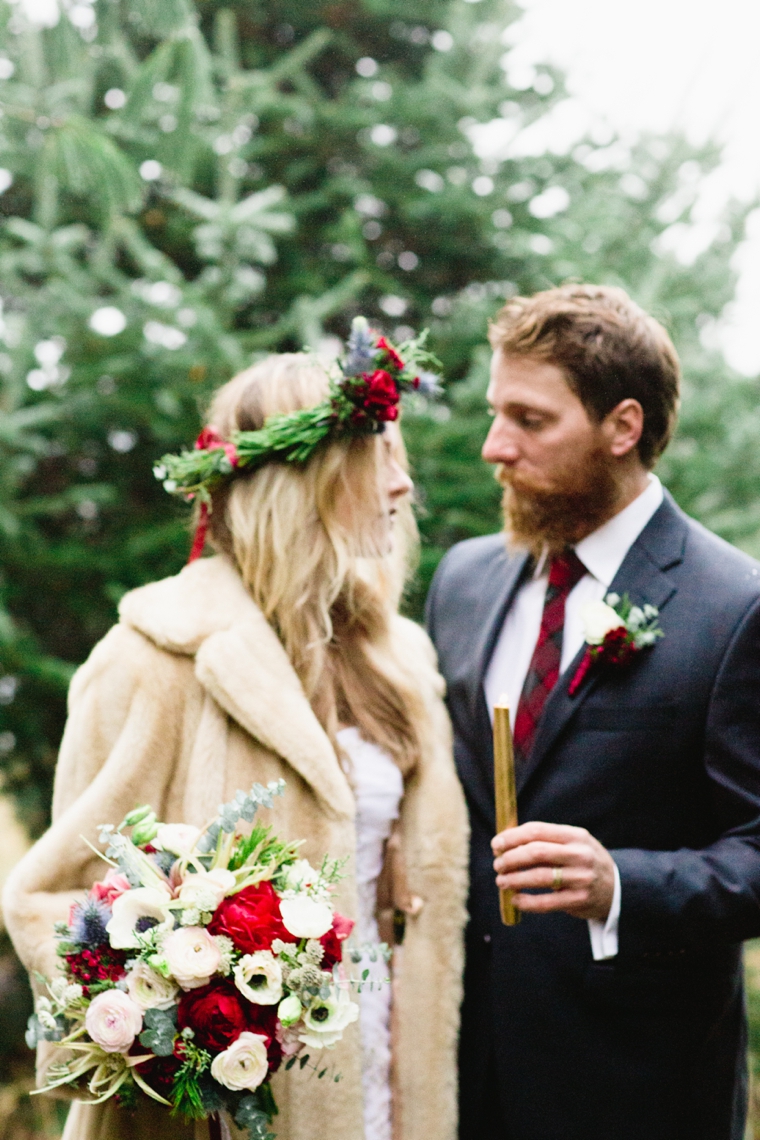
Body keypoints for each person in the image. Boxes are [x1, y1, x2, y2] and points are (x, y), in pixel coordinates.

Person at [4, 347, 469, 1140]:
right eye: (377, 457)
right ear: (307, 480)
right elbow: (47, 903)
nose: (403, 485)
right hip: (223, 1113)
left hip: (391, 1074)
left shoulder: (402, 658)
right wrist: (176, 996)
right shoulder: (150, 658)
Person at [425, 284, 760, 1140]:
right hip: (455, 1073)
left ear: (623, 426)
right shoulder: (463, 581)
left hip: (638, 1088)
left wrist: (622, 884)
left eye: (531, 421)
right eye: (497, 412)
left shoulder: (734, 608)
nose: (496, 447)